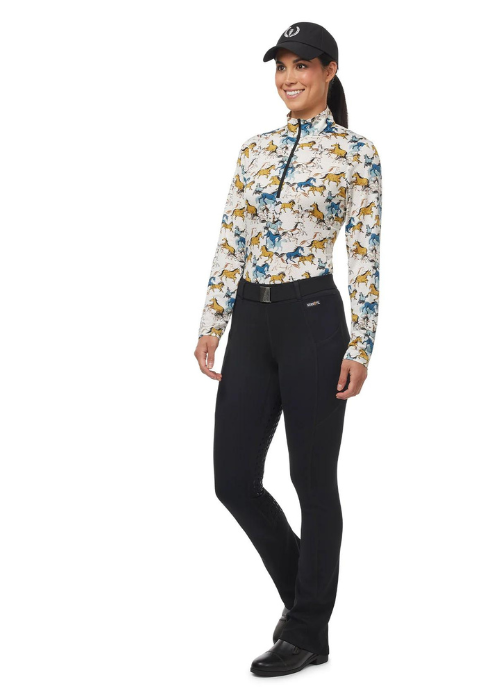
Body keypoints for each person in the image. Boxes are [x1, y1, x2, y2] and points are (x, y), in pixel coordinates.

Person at [194, 21, 382, 677]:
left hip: (313, 322)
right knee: (233, 481)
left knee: (311, 479)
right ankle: (310, 600)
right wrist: (213, 320)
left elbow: (365, 253)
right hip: (251, 320)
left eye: (302, 65)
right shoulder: (254, 151)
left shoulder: (357, 154)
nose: (289, 77)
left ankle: (305, 629)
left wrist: (363, 344)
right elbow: (232, 236)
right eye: (281, 66)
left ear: (330, 71)